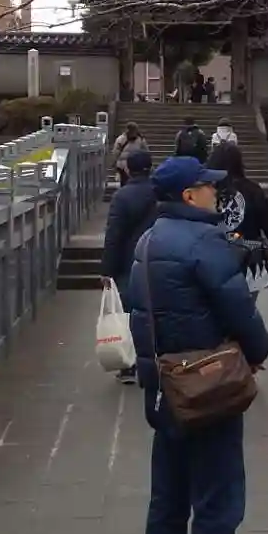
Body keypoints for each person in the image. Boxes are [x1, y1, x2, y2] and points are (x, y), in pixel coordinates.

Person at [128, 156, 268, 534]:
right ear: (189, 195)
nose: (216, 193)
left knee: (168, 494)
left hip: (164, 385)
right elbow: (238, 308)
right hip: (205, 385)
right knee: (217, 497)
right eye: (208, 187)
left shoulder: (148, 241)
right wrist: (257, 353)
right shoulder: (203, 241)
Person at [101, 145, 157, 381]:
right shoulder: (161, 192)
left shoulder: (122, 196)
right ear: (150, 168)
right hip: (157, 257)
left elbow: (114, 235)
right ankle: (156, 360)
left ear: (127, 169)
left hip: (128, 262)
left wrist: (107, 270)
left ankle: (129, 364)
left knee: (129, 312)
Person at [208, 141, 268, 294]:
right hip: (250, 257)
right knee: (246, 305)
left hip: (214, 256)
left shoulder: (207, 191)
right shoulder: (253, 189)